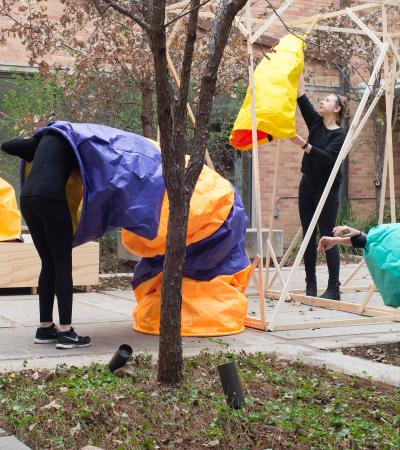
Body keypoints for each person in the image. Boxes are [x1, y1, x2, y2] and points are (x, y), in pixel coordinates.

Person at [1, 132, 91, 349]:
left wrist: (36, 140)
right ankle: (66, 332)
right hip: (50, 198)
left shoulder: (42, 141)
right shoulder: (72, 141)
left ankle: (44, 328)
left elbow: (7, 144)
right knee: (62, 265)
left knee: (48, 264)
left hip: (28, 200)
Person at [290, 71, 347, 301]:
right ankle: (310, 285)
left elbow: (328, 159)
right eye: (322, 100)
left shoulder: (340, 134)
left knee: (327, 235)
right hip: (307, 186)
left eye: (328, 100)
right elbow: (301, 95)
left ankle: (334, 288)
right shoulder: (315, 122)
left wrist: (304, 145)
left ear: (337, 109)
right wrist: (299, 64)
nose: (322, 101)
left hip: (327, 189)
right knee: (308, 235)